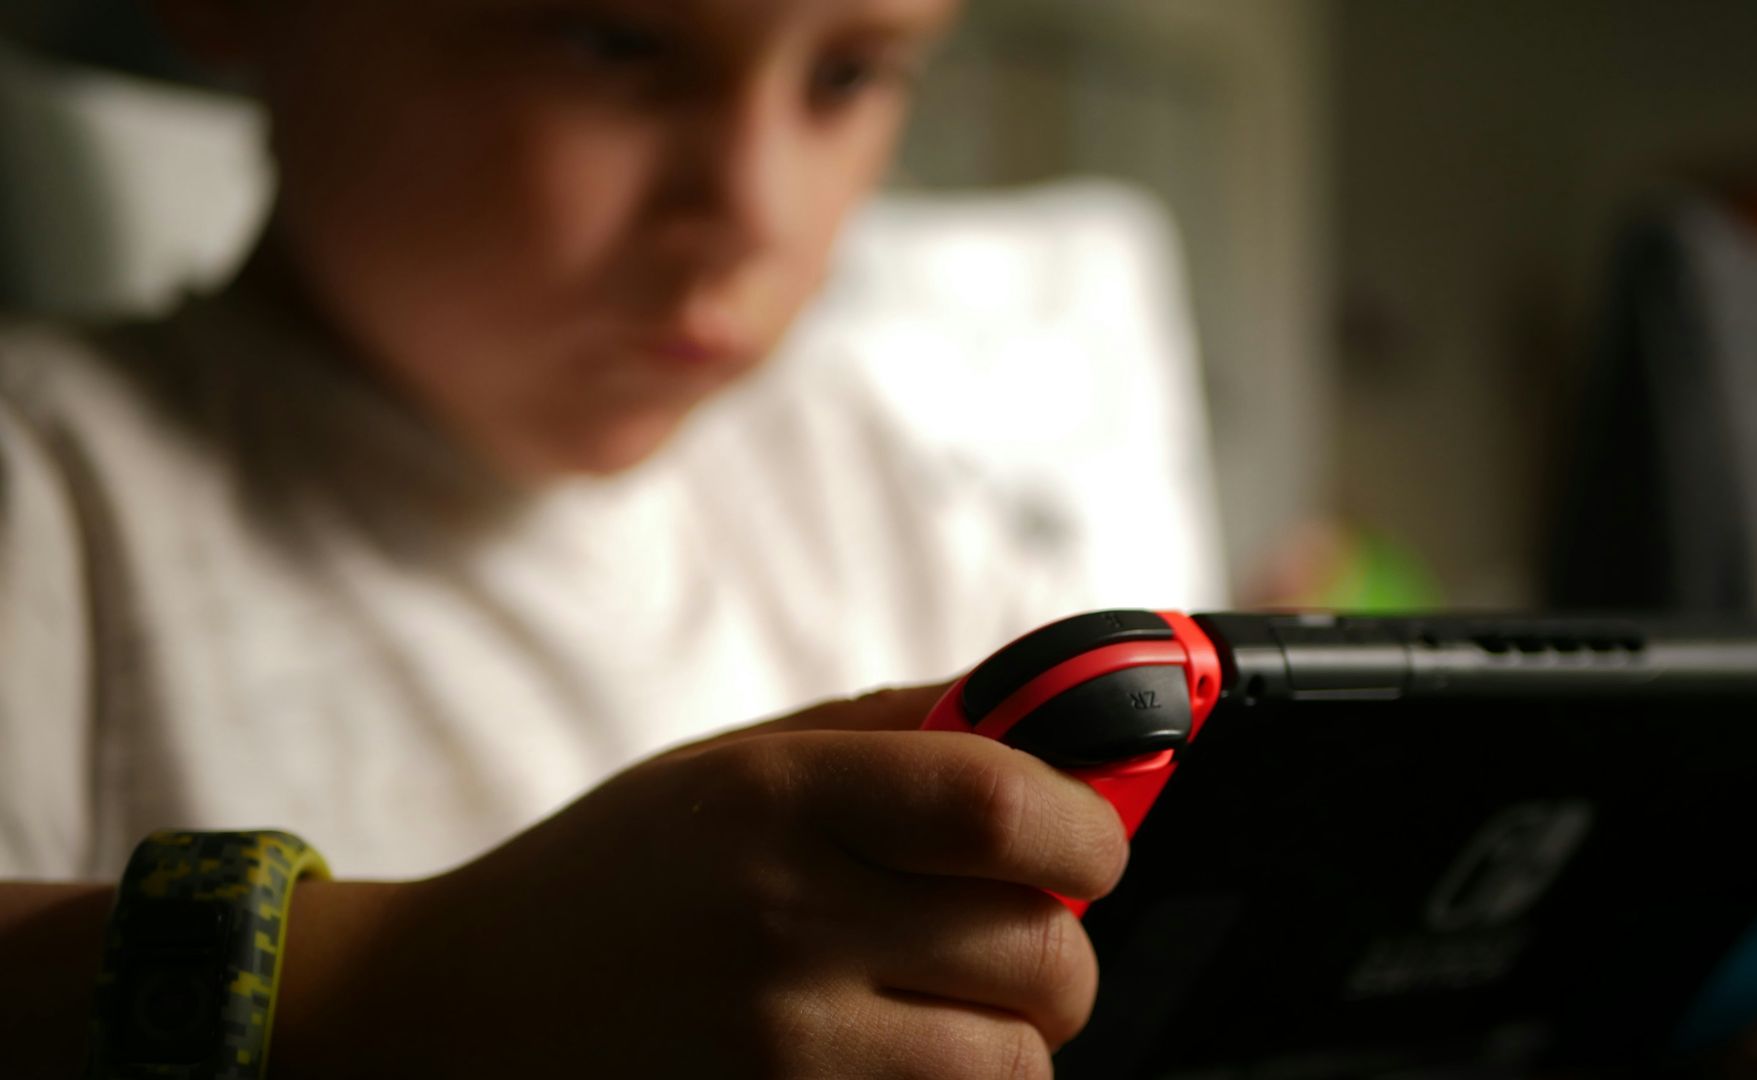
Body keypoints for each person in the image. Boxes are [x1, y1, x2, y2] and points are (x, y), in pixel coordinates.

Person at [0, 0, 1132, 1075]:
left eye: (845, 76)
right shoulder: (46, 486)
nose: (754, 210)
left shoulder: (857, 477)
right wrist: (393, 991)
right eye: (616, 42)